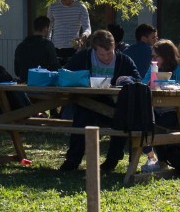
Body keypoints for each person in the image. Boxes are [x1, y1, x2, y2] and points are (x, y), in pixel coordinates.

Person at [57, 29, 139, 173]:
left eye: (110, 53)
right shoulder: (83, 57)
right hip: (87, 102)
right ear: (94, 50)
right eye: (102, 54)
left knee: (122, 119)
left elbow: (137, 80)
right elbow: (65, 75)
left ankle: (112, 160)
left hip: (114, 104)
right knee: (81, 119)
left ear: (115, 47)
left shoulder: (124, 60)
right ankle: (72, 161)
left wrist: (126, 80)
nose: (107, 57)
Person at [46, 0, 90, 64]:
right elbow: (49, 27)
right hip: (56, 47)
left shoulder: (81, 7)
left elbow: (87, 28)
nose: (67, 1)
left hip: (74, 48)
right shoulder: (53, 7)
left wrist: (82, 38)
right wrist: (48, 43)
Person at [14, 15, 61, 82]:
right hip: (43, 83)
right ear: (45, 28)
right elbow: (55, 67)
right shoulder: (48, 45)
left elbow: (17, 71)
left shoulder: (20, 46)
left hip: (25, 83)